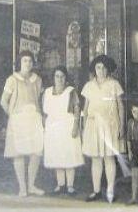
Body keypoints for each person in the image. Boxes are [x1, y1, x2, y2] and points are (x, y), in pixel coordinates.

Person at [0, 50, 45, 197]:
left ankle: (31, 185)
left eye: (30, 61)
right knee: (18, 153)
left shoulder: (37, 80)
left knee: (36, 153)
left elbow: (40, 100)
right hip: (18, 121)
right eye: (25, 60)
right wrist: (13, 117)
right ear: (20, 62)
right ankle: (22, 187)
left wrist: (41, 116)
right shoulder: (12, 79)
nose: (28, 63)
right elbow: (3, 102)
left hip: (34, 120)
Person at [81, 55, 125, 203]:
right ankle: (96, 191)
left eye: (104, 68)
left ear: (109, 69)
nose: (101, 70)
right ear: (94, 69)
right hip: (93, 125)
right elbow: (85, 108)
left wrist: (121, 126)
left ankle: (110, 191)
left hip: (110, 125)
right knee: (96, 159)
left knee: (109, 158)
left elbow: (120, 106)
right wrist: (84, 127)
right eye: (98, 67)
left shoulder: (114, 84)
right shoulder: (89, 85)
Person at [42, 66, 84, 195]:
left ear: (66, 78)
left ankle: (70, 185)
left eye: (62, 76)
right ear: (53, 78)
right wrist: (45, 128)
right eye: (57, 76)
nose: (59, 79)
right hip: (53, 129)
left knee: (69, 155)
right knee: (57, 156)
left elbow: (77, 110)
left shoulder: (71, 92)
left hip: (68, 127)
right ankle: (60, 184)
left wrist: (76, 127)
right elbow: (45, 113)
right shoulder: (47, 92)